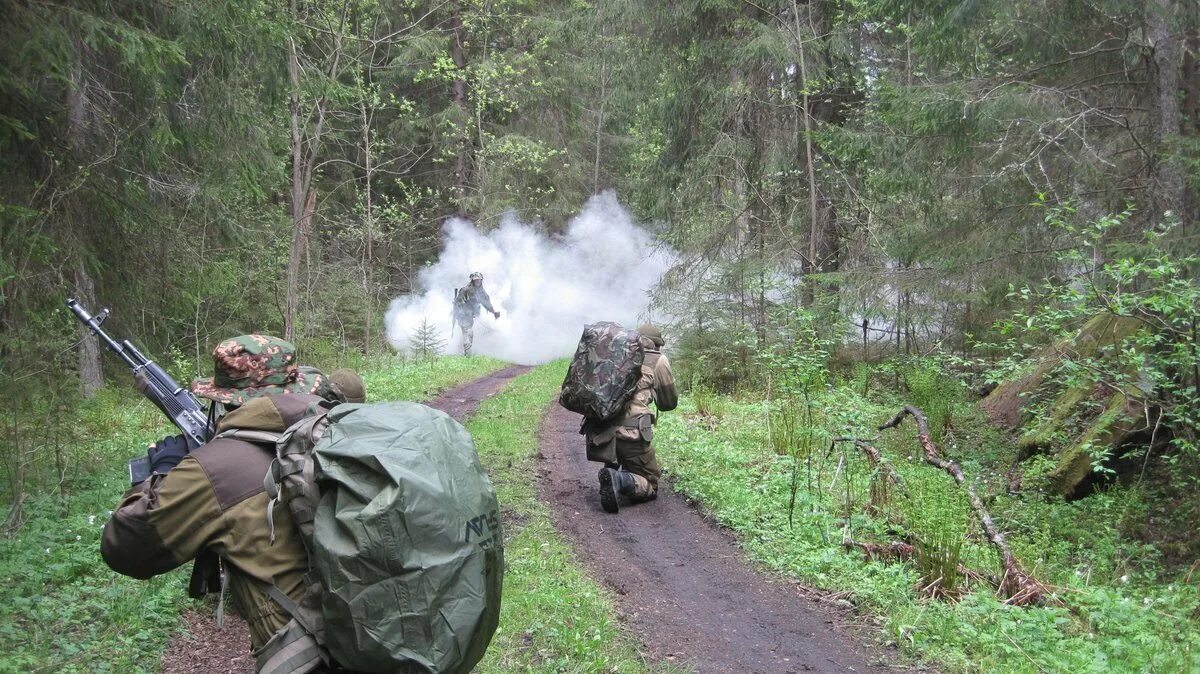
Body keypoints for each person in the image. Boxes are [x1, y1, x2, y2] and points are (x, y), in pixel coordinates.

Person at [101, 335, 349, 673]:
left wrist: (160, 471)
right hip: (366, 630)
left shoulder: (211, 469)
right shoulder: (338, 428)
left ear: (227, 399)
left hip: (307, 655)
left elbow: (126, 548)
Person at [585, 324, 677, 513]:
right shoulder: (657, 359)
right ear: (657, 345)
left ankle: (613, 465)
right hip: (630, 433)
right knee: (650, 484)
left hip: (598, 428)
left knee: (619, 440)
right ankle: (618, 478)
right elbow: (669, 403)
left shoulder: (613, 351)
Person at [453, 272, 500, 355]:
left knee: (468, 334)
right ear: (473, 281)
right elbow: (458, 303)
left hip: (470, 316)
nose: (478, 281)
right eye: (476, 280)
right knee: (468, 333)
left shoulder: (481, 291)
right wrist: (464, 311)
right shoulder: (465, 290)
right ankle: (467, 355)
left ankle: (460, 351)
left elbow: (486, 303)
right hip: (463, 316)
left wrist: (494, 312)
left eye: (479, 280)